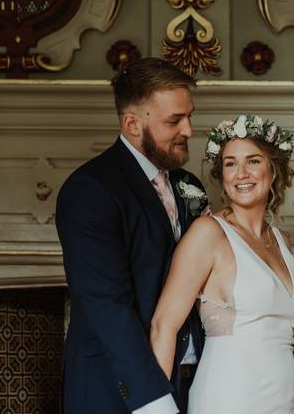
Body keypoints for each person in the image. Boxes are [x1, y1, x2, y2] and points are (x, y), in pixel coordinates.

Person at [149, 115, 294, 414]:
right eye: (230, 163)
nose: (241, 173)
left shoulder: (282, 241)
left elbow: (278, 332)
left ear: (273, 170)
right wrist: (157, 409)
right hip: (229, 397)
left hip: (284, 400)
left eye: (253, 161)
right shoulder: (208, 234)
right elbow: (163, 325)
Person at [55, 58, 208, 414]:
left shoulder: (189, 186)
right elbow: (106, 306)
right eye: (175, 120)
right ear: (132, 123)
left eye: (190, 116)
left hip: (190, 381)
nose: (189, 129)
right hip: (117, 388)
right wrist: (154, 402)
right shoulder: (90, 189)